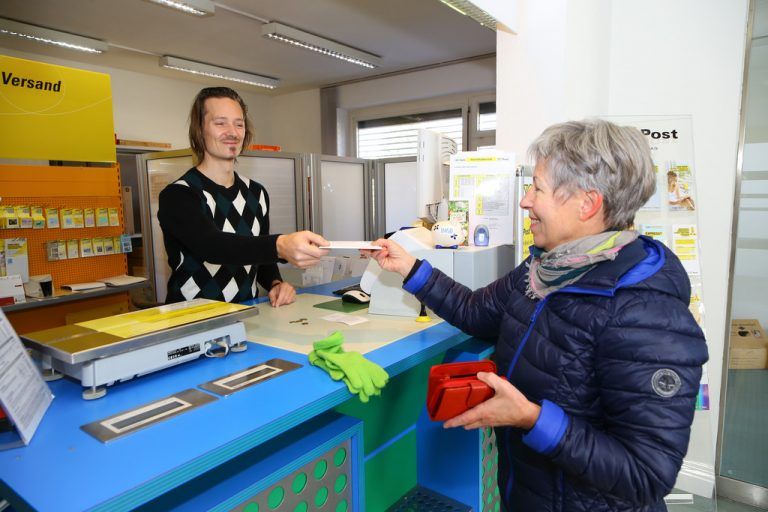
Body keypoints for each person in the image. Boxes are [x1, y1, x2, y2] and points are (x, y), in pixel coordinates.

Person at [364, 119, 708, 511]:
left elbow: (646, 474)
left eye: (537, 188)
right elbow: (475, 312)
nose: (526, 201)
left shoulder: (645, 312)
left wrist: (530, 418)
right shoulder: (545, 270)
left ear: (587, 203)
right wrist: (410, 267)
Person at [158, 87, 329, 306]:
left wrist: (276, 283)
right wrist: (280, 245)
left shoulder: (256, 193)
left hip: (245, 317)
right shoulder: (179, 195)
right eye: (220, 123)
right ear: (199, 130)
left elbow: (260, 257)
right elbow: (212, 246)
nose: (233, 132)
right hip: (191, 323)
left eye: (239, 124)